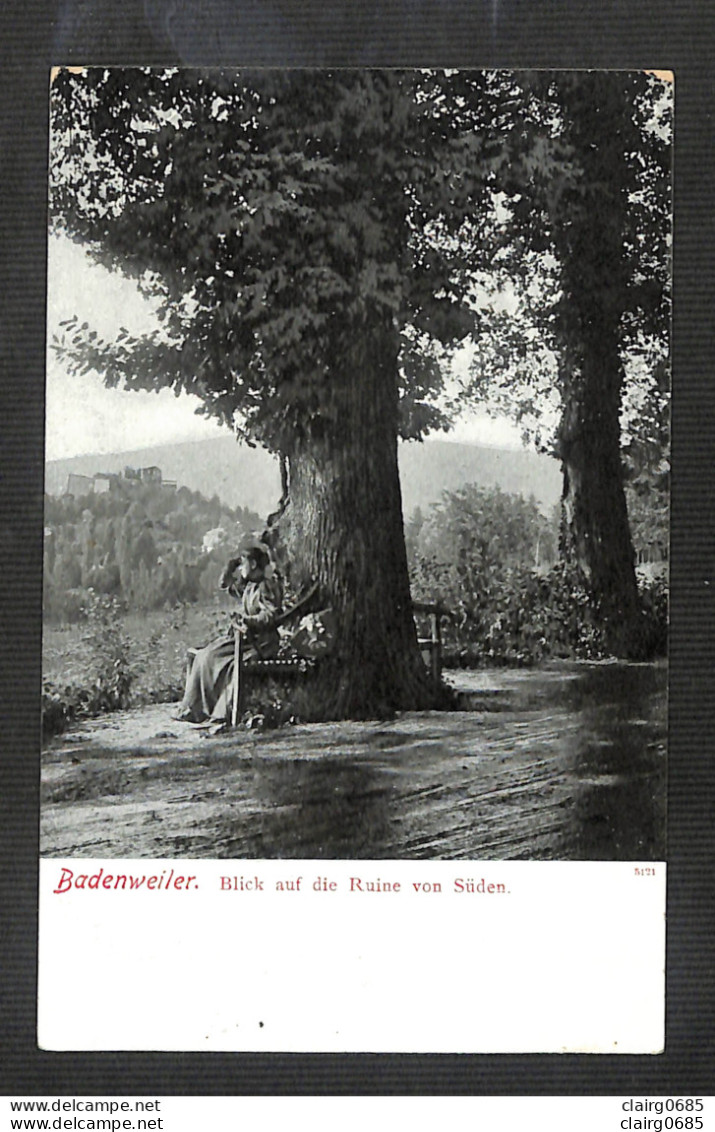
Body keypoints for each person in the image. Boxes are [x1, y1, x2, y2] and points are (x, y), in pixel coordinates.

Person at [174, 537, 283, 724]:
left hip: (261, 643)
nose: (241, 569)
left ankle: (215, 712)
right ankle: (193, 709)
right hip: (248, 640)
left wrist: (247, 620)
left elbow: (271, 615)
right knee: (203, 656)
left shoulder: (266, 587)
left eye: (243, 564)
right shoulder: (250, 587)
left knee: (217, 660)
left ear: (254, 564)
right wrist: (231, 565)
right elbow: (225, 584)